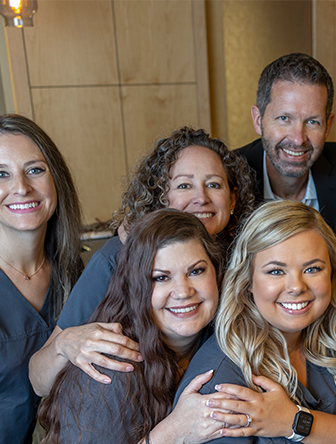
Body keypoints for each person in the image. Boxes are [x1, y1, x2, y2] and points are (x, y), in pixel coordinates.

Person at [172, 201, 336, 444]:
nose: (296, 287)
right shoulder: (221, 382)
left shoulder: (334, 335)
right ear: (247, 280)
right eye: (276, 271)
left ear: (332, 274)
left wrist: (295, 422)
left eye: (313, 268)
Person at [28, 126, 254, 396]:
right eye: (184, 185)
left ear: (232, 198)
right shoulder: (116, 258)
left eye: (214, 184)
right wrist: (64, 344)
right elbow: (39, 381)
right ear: (160, 196)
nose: (201, 197)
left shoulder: (244, 261)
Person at [36, 209, 228, 444]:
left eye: (196, 271)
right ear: (136, 287)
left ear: (216, 272)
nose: (184, 291)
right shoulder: (109, 369)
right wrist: (175, 430)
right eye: (160, 277)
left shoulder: (217, 342)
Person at [0, 114, 83, 444]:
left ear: (55, 180)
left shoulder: (73, 272)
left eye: (34, 169)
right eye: (0, 174)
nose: (21, 187)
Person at [236, 52, 336, 233]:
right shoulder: (230, 173)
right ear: (258, 120)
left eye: (312, 122)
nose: (298, 139)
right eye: (284, 118)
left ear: (327, 126)